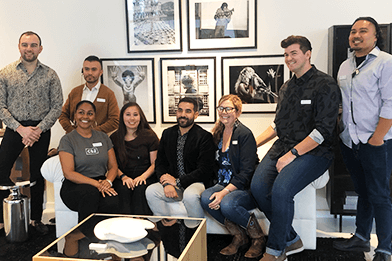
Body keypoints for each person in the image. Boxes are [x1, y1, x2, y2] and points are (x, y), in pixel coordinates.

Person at [250, 35, 341, 261]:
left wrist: (292, 155)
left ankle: (275, 250)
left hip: (316, 152)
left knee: (282, 189)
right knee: (258, 187)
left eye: (293, 53)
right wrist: (252, 144)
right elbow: (277, 125)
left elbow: (323, 130)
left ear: (307, 54)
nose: (288, 58)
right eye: (286, 54)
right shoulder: (286, 87)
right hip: (283, 146)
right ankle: (291, 238)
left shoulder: (325, 84)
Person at [332, 17, 392, 261]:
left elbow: (390, 103)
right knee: (362, 192)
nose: (356, 35)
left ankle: (385, 248)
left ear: (375, 36)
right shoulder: (345, 66)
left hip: (376, 142)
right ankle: (361, 237)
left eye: (363, 31)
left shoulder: (386, 63)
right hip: (350, 141)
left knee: (379, 195)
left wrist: (377, 138)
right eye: (353, 31)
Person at [0, 31, 63, 234]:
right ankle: (3, 220)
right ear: (19, 47)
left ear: (40, 49)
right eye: (25, 45)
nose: (29, 48)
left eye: (33, 45)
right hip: (14, 128)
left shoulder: (50, 74)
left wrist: (38, 129)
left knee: (38, 174)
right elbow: (0, 106)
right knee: (1, 170)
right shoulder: (5, 73)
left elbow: (57, 106)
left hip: (40, 130)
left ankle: (36, 219)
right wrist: (20, 129)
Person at [200, 94, 263, 258]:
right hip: (222, 182)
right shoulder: (218, 133)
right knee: (206, 198)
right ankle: (239, 236)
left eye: (228, 108)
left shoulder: (244, 134)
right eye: (220, 108)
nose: (223, 112)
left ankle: (257, 238)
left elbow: (247, 172)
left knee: (227, 203)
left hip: (243, 186)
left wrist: (223, 193)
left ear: (238, 111)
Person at [145, 97, 215, 227]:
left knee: (190, 195)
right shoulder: (167, 134)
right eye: (180, 110)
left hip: (196, 183)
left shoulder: (204, 137)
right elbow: (160, 163)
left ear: (196, 114)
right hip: (173, 183)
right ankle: (169, 227)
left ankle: (196, 230)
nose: (183, 114)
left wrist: (177, 182)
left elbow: (204, 170)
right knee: (151, 191)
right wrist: (166, 184)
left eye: (188, 111)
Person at [59, 100, 120, 223]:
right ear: (75, 116)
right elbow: (69, 173)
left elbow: (113, 167)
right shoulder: (67, 140)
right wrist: (97, 184)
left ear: (94, 116)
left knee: (113, 200)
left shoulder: (103, 137)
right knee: (91, 194)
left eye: (90, 113)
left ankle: (106, 235)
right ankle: (85, 234)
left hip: (101, 181)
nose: (85, 117)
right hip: (75, 185)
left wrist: (108, 182)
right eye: (81, 113)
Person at [110, 102, 159, 215]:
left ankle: (141, 222)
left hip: (146, 176)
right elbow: (111, 165)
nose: (132, 118)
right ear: (122, 117)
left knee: (140, 188)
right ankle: (126, 222)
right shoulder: (114, 137)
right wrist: (123, 177)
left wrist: (143, 177)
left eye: (135, 114)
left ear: (140, 117)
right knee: (123, 189)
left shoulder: (150, 136)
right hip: (122, 177)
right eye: (128, 114)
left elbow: (155, 163)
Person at [59, 55, 120, 135]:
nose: (90, 73)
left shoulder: (109, 94)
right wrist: (71, 130)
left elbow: (115, 121)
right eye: (87, 69)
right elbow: (62, 114)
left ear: (100, 72)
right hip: (73, 140)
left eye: (94, 69)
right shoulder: (75, 92)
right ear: (83, 70)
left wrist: (93, 132)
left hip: (97, 140)